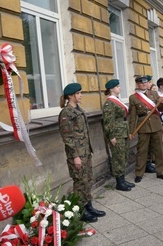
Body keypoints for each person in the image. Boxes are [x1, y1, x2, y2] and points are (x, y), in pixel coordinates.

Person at [59, 83, 106, 223]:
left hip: (85, 152)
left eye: (80, 92)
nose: (81, 95)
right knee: (80, 182)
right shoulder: (66, 113)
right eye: (78, 93)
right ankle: (80, 210)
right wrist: (75, 156)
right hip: (77, 155)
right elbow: (67, 137)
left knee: (88, 179)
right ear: (70, 96)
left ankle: (88, 205)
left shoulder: (78, 110)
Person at [128, 76, 163, 183]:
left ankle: (160, 172)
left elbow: (160, 109)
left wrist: (162, 102)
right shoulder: (133, 97)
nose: (144, 84)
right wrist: (131, 131)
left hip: (155, 124)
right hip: (143, 125)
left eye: (146, 83)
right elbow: (132, 117)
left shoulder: (154, 94)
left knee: (159, 150)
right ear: (137, 84)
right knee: (142, 150)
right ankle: (139, 173)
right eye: (141, 83)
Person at [102, 79, 135, 192]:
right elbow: (108, 121)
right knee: (118, 158)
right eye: (117, 86)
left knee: (123, 156)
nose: (119, 88)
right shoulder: (109, 103)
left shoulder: (116, 100)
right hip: (117, 134)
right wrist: (111, 136)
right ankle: (119, 182)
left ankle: (123, 179)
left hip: (123, 132)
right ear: (111, 89)